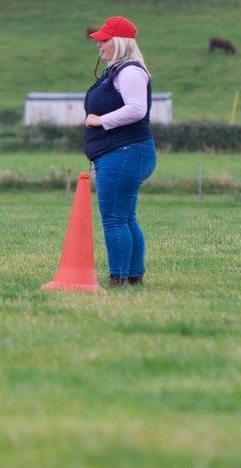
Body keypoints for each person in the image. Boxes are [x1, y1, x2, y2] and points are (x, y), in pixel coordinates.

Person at [84, 16, 157, 288]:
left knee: (115, 219)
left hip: (125, 151)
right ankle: (132, 276)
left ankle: (119, 278)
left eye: (104, 40)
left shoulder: (129, 72)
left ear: (118, 42)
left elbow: (137, 109)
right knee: (125, 217)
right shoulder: (117, 70)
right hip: (121, 153)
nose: (99, 45)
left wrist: (100, 121)